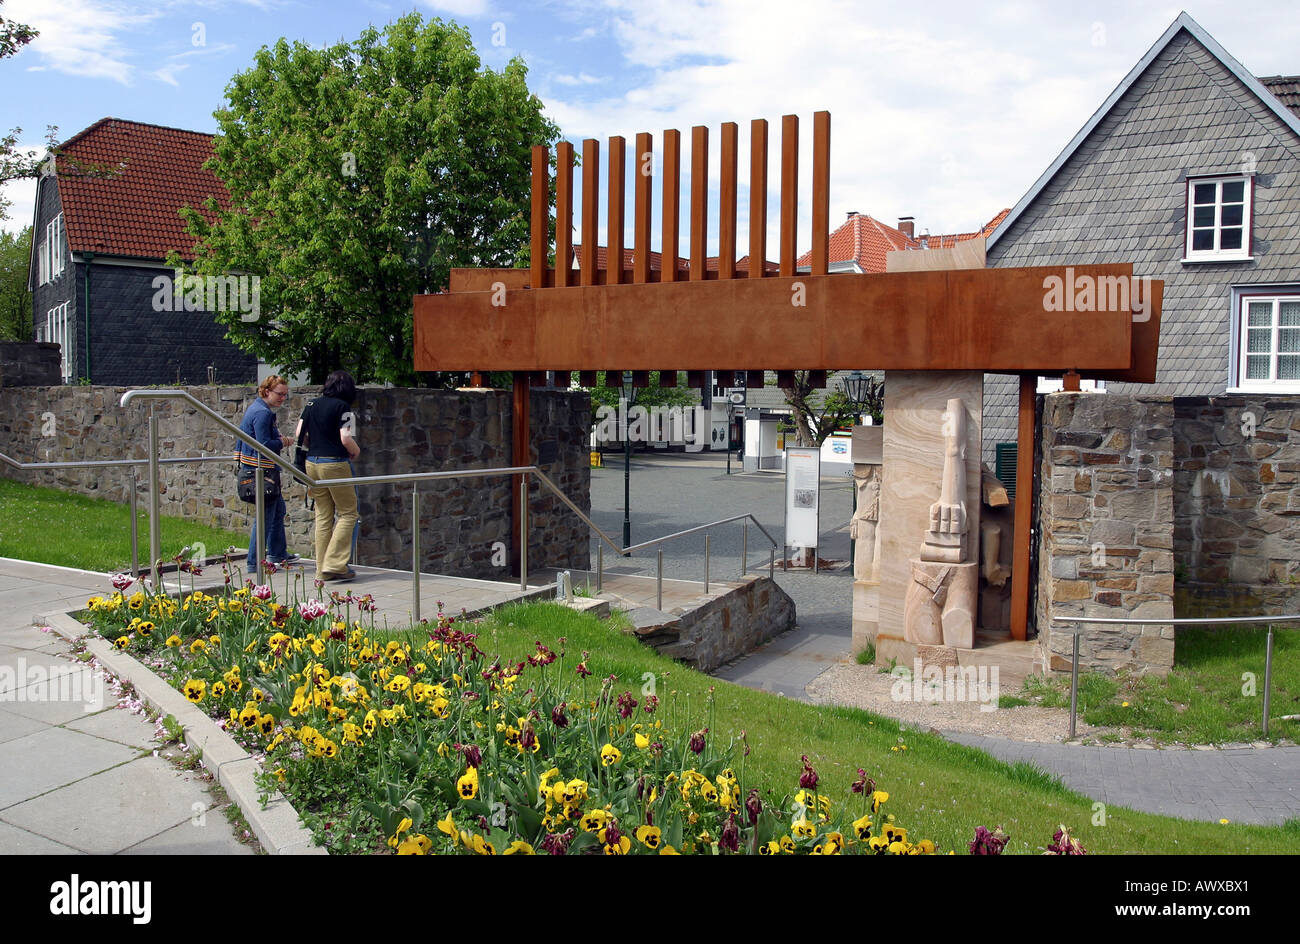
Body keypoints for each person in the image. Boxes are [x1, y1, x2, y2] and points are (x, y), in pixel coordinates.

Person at [296, 370, 361, 581]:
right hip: (334, 463)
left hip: (311, 463)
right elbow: (345, 438)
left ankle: (320, 570)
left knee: (323, 515)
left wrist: (314, 446)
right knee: (349, 513)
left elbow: (299, 434)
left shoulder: (311, 404)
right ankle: (334, 564)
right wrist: (356, 451)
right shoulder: (344, 407)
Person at [238, 375, 298, 571]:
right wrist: (284, 441)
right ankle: (254, 563)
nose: (282, 398)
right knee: (265, 518)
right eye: (279, 394)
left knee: (278, 510)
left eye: (285, 395)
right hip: (262, 472)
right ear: (266, 391)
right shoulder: (262, 413)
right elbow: (263, 445)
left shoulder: (257, 409)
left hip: (259, 469)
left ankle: (277, 553)